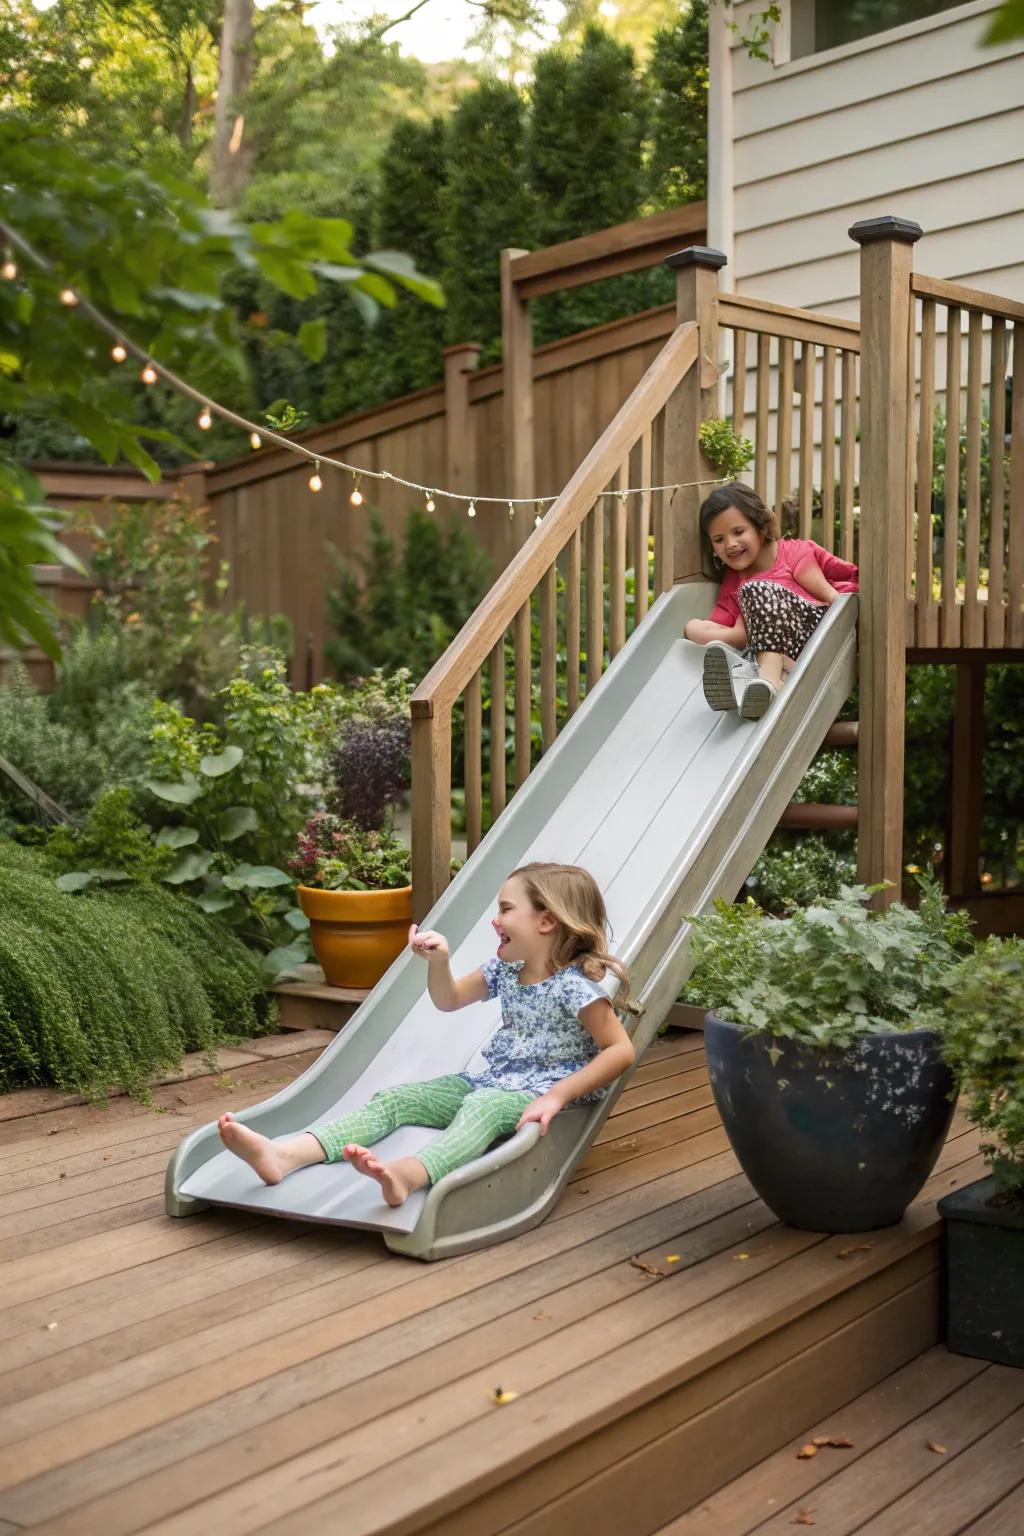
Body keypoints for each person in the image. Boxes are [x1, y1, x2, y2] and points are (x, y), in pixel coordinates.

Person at [218, 862, 636, 1208]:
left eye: (506, 909)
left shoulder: (574, 987)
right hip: (493, 1081)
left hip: (540, 1091)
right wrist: (440, 962)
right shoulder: (504, 971)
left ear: (546, 920)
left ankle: (410, 1174)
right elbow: (449, 999)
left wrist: (557, 1095)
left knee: (483, 1108)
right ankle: (284, 1155)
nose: (495, 919)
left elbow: (619, 1050)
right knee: (399, 1099)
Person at [683, 482, 858, 720]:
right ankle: (756, 683)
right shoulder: (734, 580)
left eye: (738, 532)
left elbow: (834, 598)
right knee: (693, 626)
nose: (730, 544)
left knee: (754, 590)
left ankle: (768, 681)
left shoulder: (795, 552)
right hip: (771, 651)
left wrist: (740, 632)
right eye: (719, 539)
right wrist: (724, 633)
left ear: (761, 527)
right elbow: (719, 620)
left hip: (815, 638)